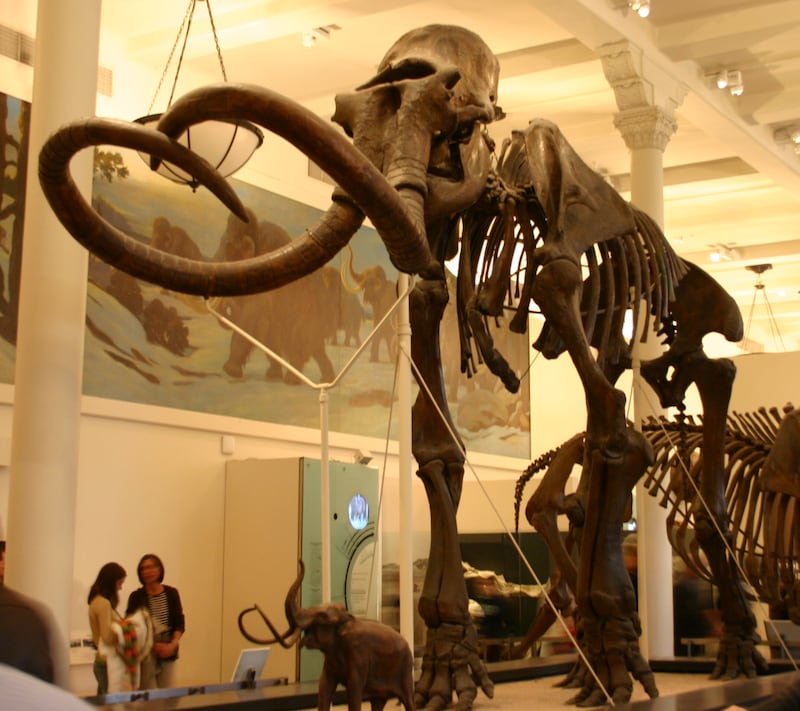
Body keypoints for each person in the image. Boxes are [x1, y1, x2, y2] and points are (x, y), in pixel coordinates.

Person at [126, 553, 185, 689]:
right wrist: (151, 646)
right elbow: (130, 626)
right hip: (146, 655)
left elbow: (179, 622)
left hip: (168, 651)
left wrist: (172, 645)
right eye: (143, 569)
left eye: (150, 567)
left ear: (159, 570)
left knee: (168, 696)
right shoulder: (136, 597)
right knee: (149, 700)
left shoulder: (171, 593)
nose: (147, 572)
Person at [87, 562, 127, 695]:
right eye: (119, 583)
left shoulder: (95, 600)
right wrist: (126, 631)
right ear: (111, 582)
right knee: (111, 705)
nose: (120, 588)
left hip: (102, 661)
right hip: (107, 663)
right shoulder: (103, 603)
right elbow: (107, 637)